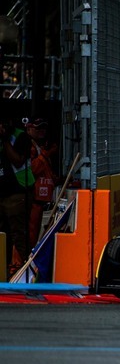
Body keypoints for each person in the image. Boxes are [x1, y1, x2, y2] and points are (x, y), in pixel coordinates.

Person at [0, 119, 33, 273]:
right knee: (2, 235)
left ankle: (28, 272)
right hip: (1, 193)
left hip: (16, 193)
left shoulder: (20, 137)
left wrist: (5, 139)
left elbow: (18, 161)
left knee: (19, 235)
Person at [25, 117, 59, 248]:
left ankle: (26, 261)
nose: (42, 131)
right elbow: (32, 170)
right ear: (29, 129)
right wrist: (46, 154)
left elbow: (46, 173)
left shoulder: (39, 147)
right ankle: (18, 264)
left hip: (40, 200)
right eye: (38, 128)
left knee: (34, 235)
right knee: (29, 234)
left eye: (44, 128)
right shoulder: (30, 147)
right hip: (32, 198)